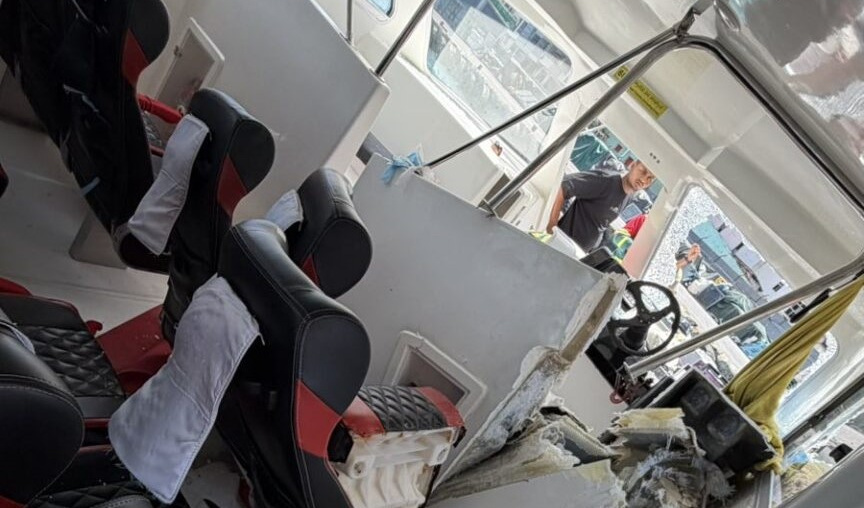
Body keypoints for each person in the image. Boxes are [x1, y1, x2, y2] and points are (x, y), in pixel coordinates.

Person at [546, 160, 656, 251]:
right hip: (560, 244)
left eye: (650, 178)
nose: (644, 180)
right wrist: (551, 227)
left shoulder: (629, 196)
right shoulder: (606, 180)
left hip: (576, 253)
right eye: (642, 171)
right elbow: (564, 185)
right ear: (632, 165)